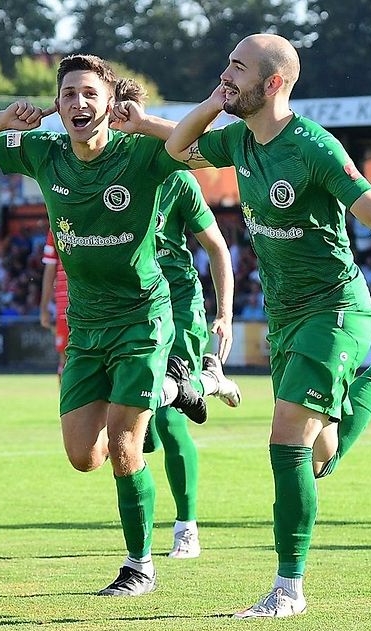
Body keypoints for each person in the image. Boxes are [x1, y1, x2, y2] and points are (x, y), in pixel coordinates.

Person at [165, 34, 371, 618]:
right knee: (320, 454)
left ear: (273, 83)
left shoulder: (314, 147)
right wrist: (213, 100)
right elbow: (178, 148)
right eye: (226, 65)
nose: (227, 74)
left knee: (286, 442)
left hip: (335, 309)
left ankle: (287, 590)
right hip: (286, 315)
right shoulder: (239, 140)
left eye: (238, 68)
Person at [0, 54, 214, 597]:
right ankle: (178, 386)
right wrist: (4, 119)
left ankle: (139, 566)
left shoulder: (143, 153)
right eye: (69, 95)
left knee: (125, 445)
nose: (78, 103)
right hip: (85, 326)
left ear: (110, 104)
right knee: (83, 457)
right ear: (58, 105)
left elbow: (207, 155)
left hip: (142, 318)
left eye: (90, 93)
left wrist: (147, 124)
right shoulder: (45, 152)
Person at [115, 77, 239, 560]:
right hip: (128, 308)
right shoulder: (101, 170)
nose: (126, 128)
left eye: (133, 119)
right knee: (129, 421)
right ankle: (213, 381)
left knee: (167, 416)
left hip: (177, 304)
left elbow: (217, 247)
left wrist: (225, 314)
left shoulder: (176, 176)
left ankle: (186, 525)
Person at [39, 230, 69, 378]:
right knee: (65, 358)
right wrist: (44, 308)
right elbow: (50, 268)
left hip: (95, 303)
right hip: (65, 307)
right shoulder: (57, 224)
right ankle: (64, 401)